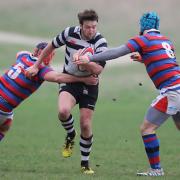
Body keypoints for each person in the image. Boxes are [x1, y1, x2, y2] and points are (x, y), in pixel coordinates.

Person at [73, 12, 180, 176]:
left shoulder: (143, 40)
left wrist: (90, 58)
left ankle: (156, 169)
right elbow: (167, 62)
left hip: (171, 92)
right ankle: (156, 169)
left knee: (147, 129)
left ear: (143, 26)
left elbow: (116, 52)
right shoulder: (166, 41)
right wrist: (145, 58)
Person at [25, 9, 108, 174]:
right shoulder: (69, 33)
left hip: (90, 84)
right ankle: (71, 135)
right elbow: (50, 46)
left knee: (85, 124)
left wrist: (86, 62)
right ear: (80, 26)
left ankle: (85, 164)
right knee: (63, 112)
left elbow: (98, 69)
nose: (91, 30)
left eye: (94, 27)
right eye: (88, 27)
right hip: (69, 80)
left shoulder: (100, 42)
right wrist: (36, 65)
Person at [0, 42, 98, 144]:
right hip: (3, 108)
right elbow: (58, 77)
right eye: (48, 54)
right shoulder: (41, 70)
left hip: (5, 110)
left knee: (5, 126)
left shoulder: (23, 57)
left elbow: (20, 52)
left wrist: (34, 56)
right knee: (4, 126)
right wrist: (84, 79)